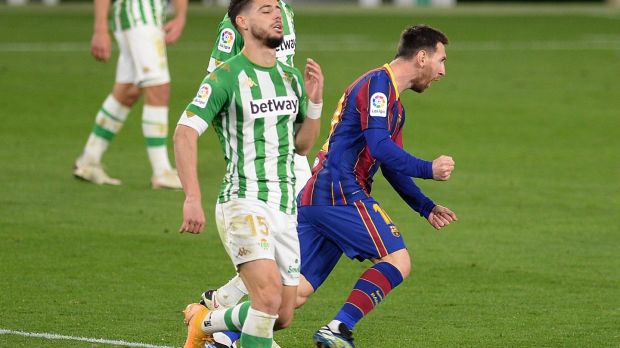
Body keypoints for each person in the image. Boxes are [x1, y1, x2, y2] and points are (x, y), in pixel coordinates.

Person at [197, 24, 457, 348]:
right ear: (421, 57)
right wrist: (428, 168)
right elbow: (378, 145)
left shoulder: (394, 105)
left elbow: (390, 162)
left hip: (320, 194)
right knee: (397, 260)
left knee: (295, 295)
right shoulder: (378, 85)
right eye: (441, 60)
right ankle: (338, 329)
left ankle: (220, 333)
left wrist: (425, 206)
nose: (442, 71)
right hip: (340, 190)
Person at [173, 0, 324, 347]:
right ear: (241, 22)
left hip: (284, 207)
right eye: (266, 10)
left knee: (282, 315)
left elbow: (302, 146)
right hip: (244, 200)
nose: (277, 16)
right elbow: (185, 132)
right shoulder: (226, 77)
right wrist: (192, 197)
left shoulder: (291, 77)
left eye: (277, 9)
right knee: (267, 299)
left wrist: (314, 105)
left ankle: (204, 320)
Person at [73, 0, 187, 189]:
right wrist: (100, 28)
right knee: (158, 86)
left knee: (128, 91)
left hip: (150, 14)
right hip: (138, 13)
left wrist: (181, 16)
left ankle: (88, 160)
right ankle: (162, 172)